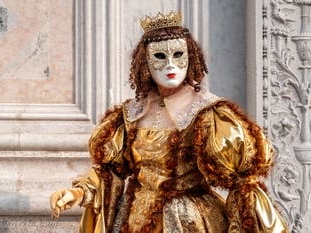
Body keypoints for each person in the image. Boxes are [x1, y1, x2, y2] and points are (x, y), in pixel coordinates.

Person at [50, 11, 288, 233]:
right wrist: (78, 193)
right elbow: (110, 173)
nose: (171, 65)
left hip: (188, 219)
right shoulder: (131, 114)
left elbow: (242, 183)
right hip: (133, 217)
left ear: (191, 56)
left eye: (178, 55)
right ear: (145, 62)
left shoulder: (209, 114)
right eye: (160, 57)